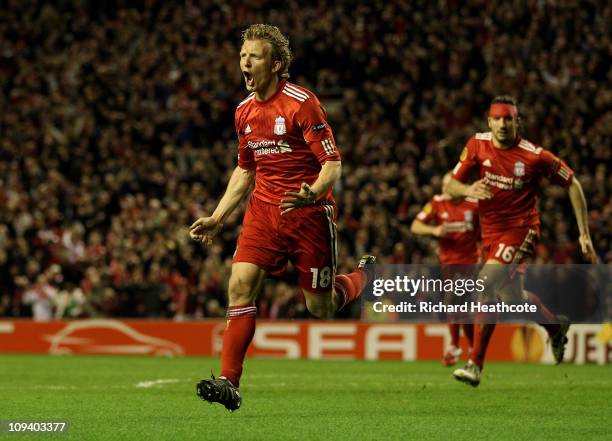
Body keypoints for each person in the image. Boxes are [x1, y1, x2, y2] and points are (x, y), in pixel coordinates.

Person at [189, 24, 375, 410]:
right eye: (242, 56)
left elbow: (332, 163)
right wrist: (218, 216)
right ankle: (229, 381)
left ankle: (362, 278)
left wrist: (314, 192)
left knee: (319, 308)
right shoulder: (243, 112)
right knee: (239, 285)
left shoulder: (301, 103)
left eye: (253, 56)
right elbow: (245, 170)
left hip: (308, 215)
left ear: (275, 64)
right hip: (263, 213)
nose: (245, 62)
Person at [447, 95, 597, 386]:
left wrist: (584, 234)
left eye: (509, 119)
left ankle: (475, 364)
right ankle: (556, 328)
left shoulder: (534, 155)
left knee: (485, 284)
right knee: (513, 299)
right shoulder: (476, 145)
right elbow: (450, 184)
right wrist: (467, 189)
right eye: (498, 119)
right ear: (489, 122)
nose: (503, 124)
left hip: (521, 230)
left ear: (518, 122)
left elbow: (573, 183)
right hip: (490, 234)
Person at [411, 172, 478, 366]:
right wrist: (434, 230)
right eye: (443, 184)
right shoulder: (437, 203)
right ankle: (472, 348)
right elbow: (415, 226)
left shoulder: (474, 204)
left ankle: (455, 346)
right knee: (460, 306)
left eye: (448, 184)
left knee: (453, 299)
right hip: (448, 263)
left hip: (470, 262)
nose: (444, 188)